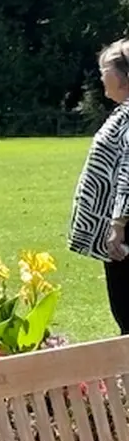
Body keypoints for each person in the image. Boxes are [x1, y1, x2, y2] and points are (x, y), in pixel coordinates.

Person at [69, 38, 129, 334]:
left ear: (124, 76)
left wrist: (118, 225)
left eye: (105, 70)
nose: (101, 77)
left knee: (127, 313)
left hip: (125, 231)